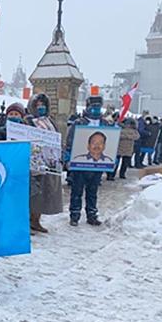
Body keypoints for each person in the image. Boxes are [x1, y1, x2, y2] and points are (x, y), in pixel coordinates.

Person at [65, 96, 109, 227]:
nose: (95, 109)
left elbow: (111, 142)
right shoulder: (79, 123)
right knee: (76, 191)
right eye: (93, 106)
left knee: (93, 192)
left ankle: (92, 215)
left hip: (97, 164)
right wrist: (68, 158)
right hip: (80, 164)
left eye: (98, 106)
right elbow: (69, 142)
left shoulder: (105, 124)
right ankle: (74, 215)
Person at [24, 93, 63, 233]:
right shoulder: (28, 121)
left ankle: (36, 220)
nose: (41, 108)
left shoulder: (50, 121)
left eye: (43, 105)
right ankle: (27, 221)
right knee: (32, 193)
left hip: (49, 161)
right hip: (34, 162)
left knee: (43, 193)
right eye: (38, 105)